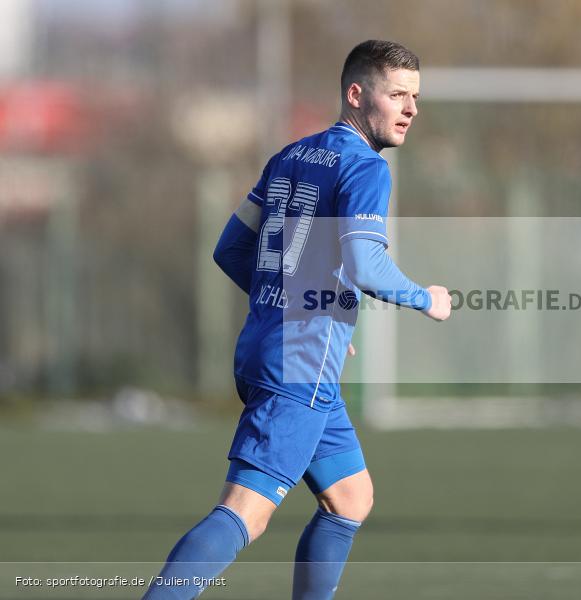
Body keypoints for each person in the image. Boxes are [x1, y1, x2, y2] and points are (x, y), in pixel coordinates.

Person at [143, 40, 452, 599]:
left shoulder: (291, 156)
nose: (411, 109)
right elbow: (365, 263)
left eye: (416, 97)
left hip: (275, 348)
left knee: (351, 497)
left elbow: (232, 249)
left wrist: (317, 308)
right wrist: (424, 298)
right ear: (356, 95)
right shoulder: (365, 168)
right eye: (397, 95)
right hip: (300, 364)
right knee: (245, 512)